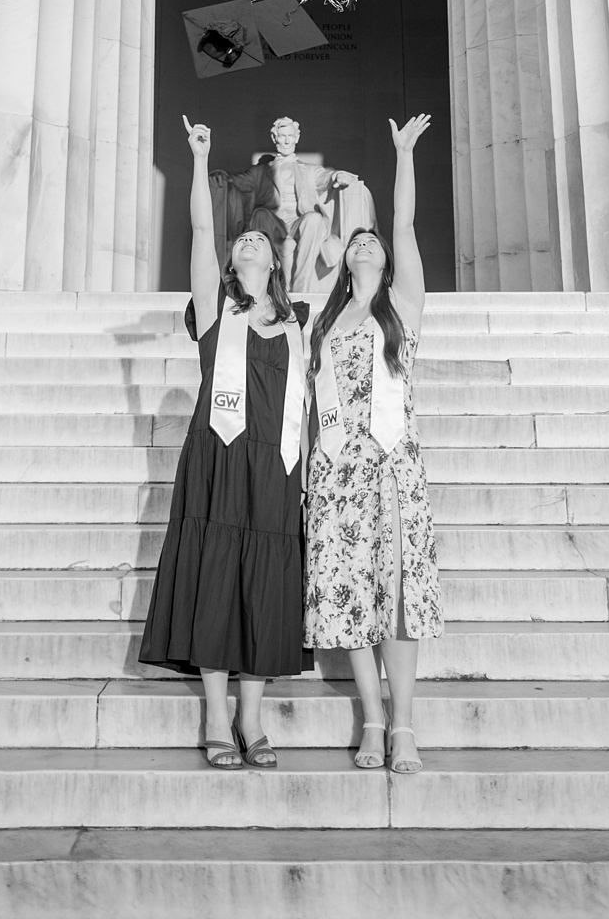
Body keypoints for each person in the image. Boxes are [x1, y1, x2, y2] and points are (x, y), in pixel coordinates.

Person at [139, 115, 311, 768]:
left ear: (274, 260)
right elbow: (202, 230)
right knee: (217, 579)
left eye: (256, 243)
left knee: (264, 582)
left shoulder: (296, 329)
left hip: (275, 469)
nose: (244, 245)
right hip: (220, 460)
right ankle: (216, 717)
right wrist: (198, 156)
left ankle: (251, 716)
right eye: (239, 243)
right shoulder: (217, 312)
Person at [304, 114, 444, 775]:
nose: (365, 244)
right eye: (356, 241)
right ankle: (372, 720)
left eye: (372, 241)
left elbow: (406, 223)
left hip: (390, 471)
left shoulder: (402, 306)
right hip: (336, 474)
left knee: (395, 596)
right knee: (349, 594)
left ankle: (407, 727)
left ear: (385, 259)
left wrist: (403, 154)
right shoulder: (324, 323)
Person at [211, 115, 373, 295]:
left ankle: (301, 288)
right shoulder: (260, 172)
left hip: (299, 223)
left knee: (314, 218)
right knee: (260, 214)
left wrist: (338, 176)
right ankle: (261, 286)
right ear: (275, 139)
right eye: (282, 136)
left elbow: (326, 177)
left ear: (296, 138)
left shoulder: (309, 170)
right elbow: (237, 181)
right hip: (273, 223)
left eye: (290, 136)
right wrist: (220, 176)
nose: (286, 140)